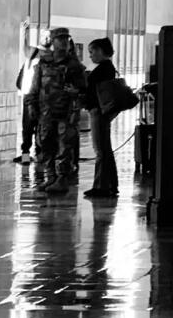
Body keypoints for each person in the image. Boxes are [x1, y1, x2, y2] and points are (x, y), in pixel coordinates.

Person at [27, 26, 87, 196]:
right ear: (52, 42)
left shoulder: (75, 66)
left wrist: (76, 95)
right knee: (45, 143)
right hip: (46, 113)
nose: (63, 42)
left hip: (66, 113)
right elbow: (34, 88)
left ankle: (62, 179)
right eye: (59, 39)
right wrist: (31, 106)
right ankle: (50, 176)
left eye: (66, 39)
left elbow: (84, 90)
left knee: (64, 146)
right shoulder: (43, 64)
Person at [83, 36, 119, 201]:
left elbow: (95, 92)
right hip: (102, 111)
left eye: (92, 52)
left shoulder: (103, 69)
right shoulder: (108, 68)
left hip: (98, 111)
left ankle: (101, 186)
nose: (90, 56)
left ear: (100, 51)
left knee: (100, 151)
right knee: (105, 149)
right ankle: (110, 184)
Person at [13, 30, 44, 164]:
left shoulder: (29, 62)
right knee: (39, 129)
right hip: (39, 100)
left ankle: (26, 157)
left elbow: (19, 82)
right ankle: (39, 156)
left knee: (27, 129)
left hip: (29, 99)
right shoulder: (41, 63)